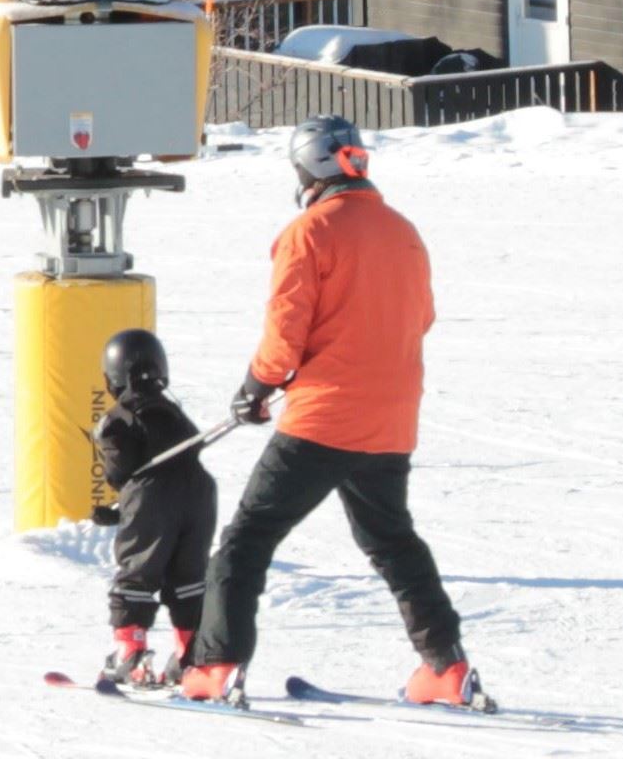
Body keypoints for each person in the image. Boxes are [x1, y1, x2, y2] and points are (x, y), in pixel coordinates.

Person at [180, 114, 477, 706]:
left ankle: (216, 664)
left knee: (246, 540)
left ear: (309, 169)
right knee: (392, 541)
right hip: (391, 419)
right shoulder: (403, 231)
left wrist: (256, 386)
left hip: (323, 420)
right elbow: (421, 317)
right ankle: (445, 668)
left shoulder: (309, 231)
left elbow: (285, 333)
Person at [88, 323, 217, 688]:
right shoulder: (176, 413)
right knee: (188, 577)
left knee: (138, 573)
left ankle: (129, 652)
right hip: (199, 494)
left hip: (152, 497)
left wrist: (124, 503)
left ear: (113, 376)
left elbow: (121, 473)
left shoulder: (117, 419)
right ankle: (191, 655)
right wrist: (123, 510)